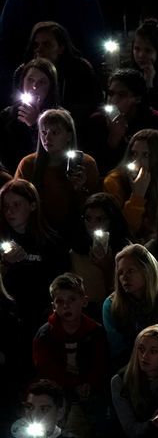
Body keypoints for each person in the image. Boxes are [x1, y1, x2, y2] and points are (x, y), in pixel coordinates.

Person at [32, 273, 109, 435]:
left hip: (90, 389)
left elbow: (100, 363)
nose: (66, 306)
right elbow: (46, 368)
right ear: (53, 306)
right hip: (59, 389)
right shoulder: (45, 335)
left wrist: (89, 383)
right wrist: (72, 385)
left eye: (72, 300)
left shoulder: (95, 332)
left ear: (84, 301)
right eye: (60, 301)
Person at [14, 109, 99, 239]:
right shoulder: (28, 164)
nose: (47, 138)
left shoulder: (86, 164)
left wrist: (80, 188)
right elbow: (17, 201)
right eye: (43, 132)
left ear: (69, 136)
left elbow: (96, 206)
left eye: (55, 132)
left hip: (75, 232)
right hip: (36, 232)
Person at [102, 244, 158, 366]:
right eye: (121, 272)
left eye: (131, 271)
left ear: (147, 271)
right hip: (129, 368)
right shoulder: (111, 304)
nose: (124, 277)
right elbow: (117, 348)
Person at [83, 68, 158, 174]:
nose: (113, 100)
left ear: (137, 98)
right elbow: (93, 168)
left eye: (121, 95)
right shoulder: (98, 121)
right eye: (111, 94)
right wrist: (113, 139)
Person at [0, 179, 66, 328]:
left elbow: (61, 280)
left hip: (44, 319)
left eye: (16, 205)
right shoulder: (1, 239)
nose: (9, 211)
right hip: (8, 319)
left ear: (32, 205)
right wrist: (5, 264)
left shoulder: (52, 242)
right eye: (6, 206)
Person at [103, 129, 158, 242]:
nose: (137, 162)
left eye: (145, 155)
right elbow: (123, 230)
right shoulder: (114, 182)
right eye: (134, 154)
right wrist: (137, 196)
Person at [21, 20, 102, 127]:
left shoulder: (79, 70)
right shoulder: (25, 72)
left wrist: (40, 119)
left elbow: (86, 110)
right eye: (36, 45)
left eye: (46, 44)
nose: (39, 50)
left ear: (61, 48)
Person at [0, 57, 60, 170]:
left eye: (42, 82)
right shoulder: (7, 115)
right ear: (22, 83)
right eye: (30, 80)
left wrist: (35, 124)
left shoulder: (60, 117)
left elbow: (55, 159)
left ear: (50, 87)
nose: (34, 87)